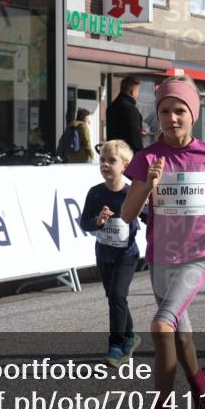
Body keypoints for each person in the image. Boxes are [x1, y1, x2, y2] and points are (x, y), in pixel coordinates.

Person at [120, 77, 205, 409]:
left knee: (161, 326)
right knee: (182, 336)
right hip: (160, 257)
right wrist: (145, 185)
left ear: (193, 114)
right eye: (165, 111)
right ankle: (201, 385)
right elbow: (127, 214)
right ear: (156, 116)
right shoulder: (147, 157)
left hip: (197, 254)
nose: (172, 118)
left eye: (180, 111)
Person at [80, 140, 142, 367]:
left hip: (126, 255)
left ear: (125, 165)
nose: (105, 164)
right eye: (102, 160)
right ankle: (130, 336)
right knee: (115, 298)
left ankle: (115, 345)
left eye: (112, 161)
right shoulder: (95, 193)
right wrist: (98, 220)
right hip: (103, 254)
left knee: (117, 297)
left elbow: (148, 216)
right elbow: (84, 224)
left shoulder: (132, 193)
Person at [106, 76, 145, 154]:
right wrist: (140, 155)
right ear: (132, 92)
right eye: (138, 91)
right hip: (127, 155)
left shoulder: (111, 107)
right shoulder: (130, 109)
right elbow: (134, 138)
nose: (138, 94)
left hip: (113, 152)